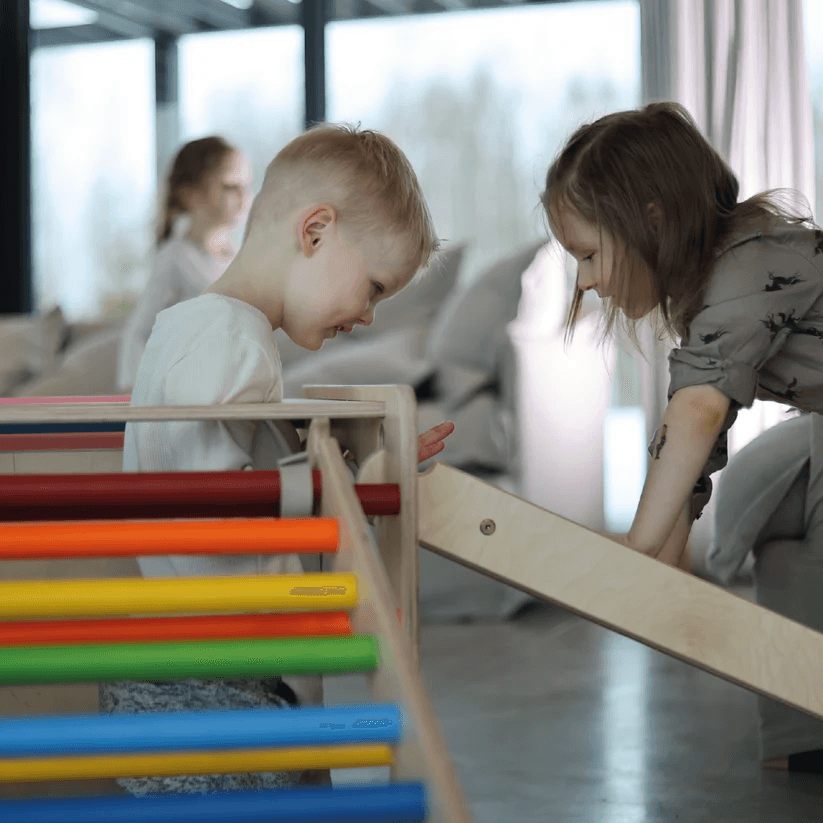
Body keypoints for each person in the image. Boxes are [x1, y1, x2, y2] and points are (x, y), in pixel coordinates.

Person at [100, 123, 455, 796]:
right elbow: (224, 506)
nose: (370, 316)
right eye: (375, 287)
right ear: (314, 231)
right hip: (210, 682)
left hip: (197, 660)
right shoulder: (232, 338)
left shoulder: (194, 325)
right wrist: (344, 487)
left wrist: (352, 471)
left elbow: (229, 480)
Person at [542, 100, 823, 569]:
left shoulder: (748, 263)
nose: (584, 281)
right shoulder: (710, 312)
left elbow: (698, 411)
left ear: (653, 222)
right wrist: (656, 572)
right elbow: (688, 448)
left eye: (588, 255)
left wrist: (638, 548)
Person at [116, 136, 251, 392]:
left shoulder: (239, 260)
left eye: (247, 185)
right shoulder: (174, 258)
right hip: (183, 394)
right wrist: (132, 395)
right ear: (191, 195)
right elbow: (138, 332)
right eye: (230, 186)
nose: (244, 196)